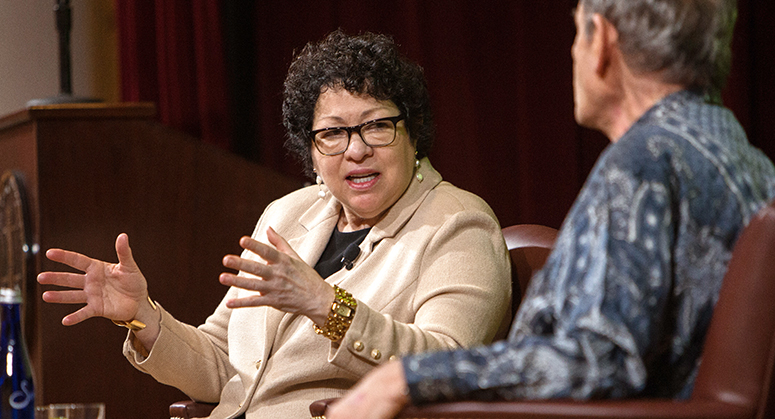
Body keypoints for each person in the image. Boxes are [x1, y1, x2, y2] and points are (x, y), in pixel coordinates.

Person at [326, 1, 775, 418]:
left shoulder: (645, 163)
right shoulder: (752, 163)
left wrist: (406, 378)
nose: (573, 53)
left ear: (600, 41)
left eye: (576, 33)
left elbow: (599, 361)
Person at [37, 30, 512, 418]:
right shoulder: (287, 214)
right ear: (310, 149)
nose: (356, 149)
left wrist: (327, 305)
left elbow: (447, 366)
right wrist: (142, 315)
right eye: (332, 133)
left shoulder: (459, 223)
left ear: (414, 130)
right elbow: (225, 366)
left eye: (376, 126)